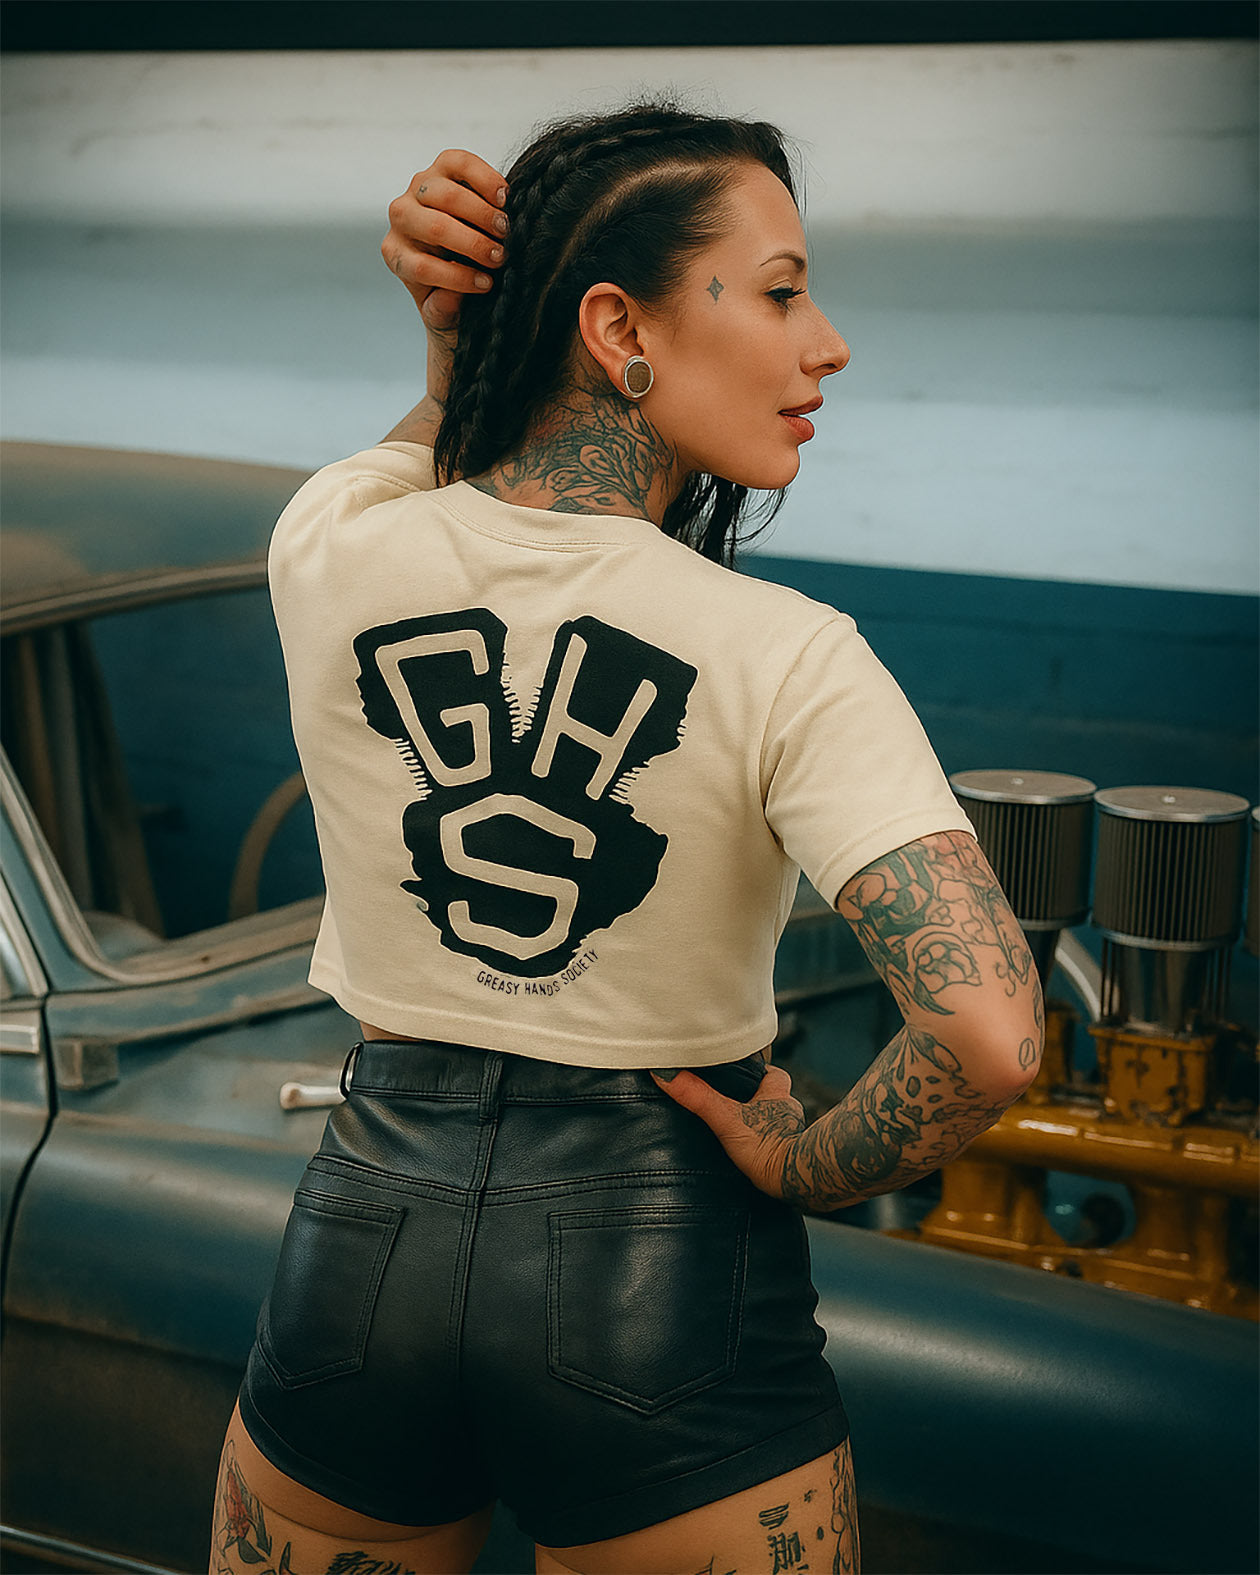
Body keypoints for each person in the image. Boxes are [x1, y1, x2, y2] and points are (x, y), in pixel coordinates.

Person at [210, 104, 1043, 1575]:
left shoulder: (327, 541)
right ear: (619, 327)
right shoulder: (790, 653)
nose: (825, 342)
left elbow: (442, 456)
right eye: (782, 290)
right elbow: (987, 1038)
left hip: (359, 1248)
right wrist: (809, 1161)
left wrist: (460, 333)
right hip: (661, 1277)